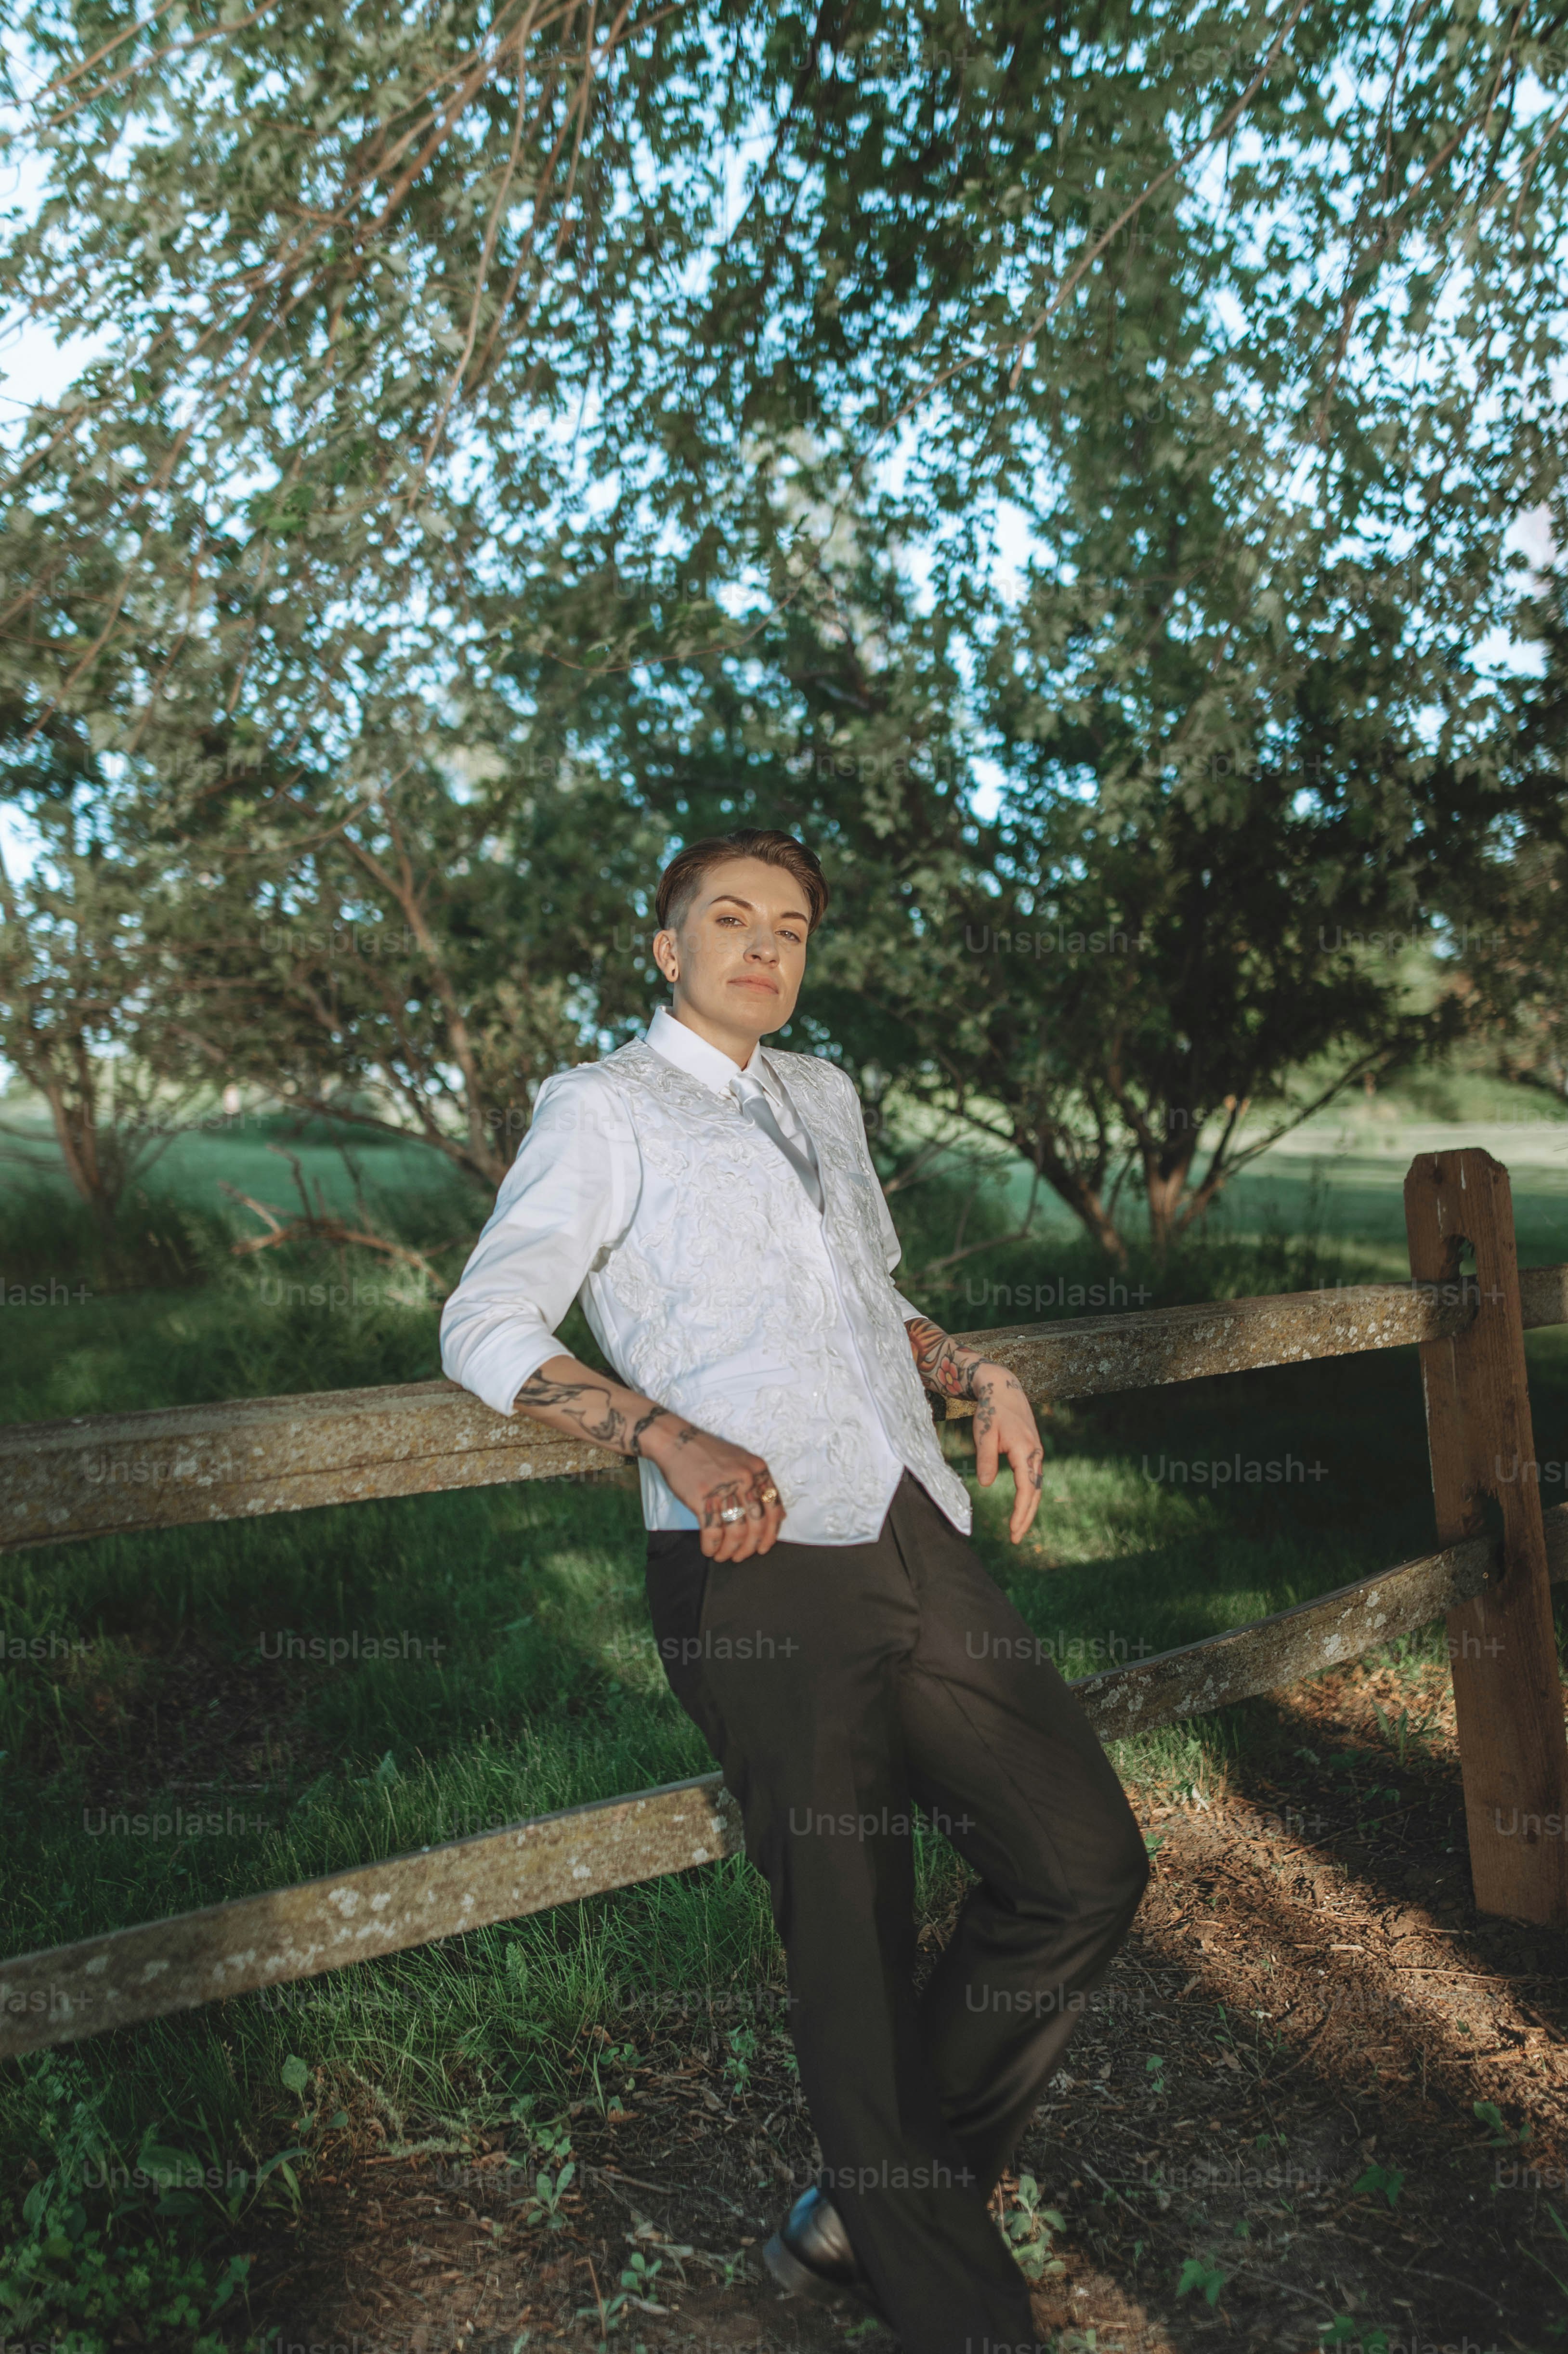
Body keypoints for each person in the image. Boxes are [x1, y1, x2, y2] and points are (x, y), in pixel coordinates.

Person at [440, 827, 1149, 2354]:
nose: (765, 948)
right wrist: (663, 1434)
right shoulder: (603, 1109)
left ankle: (863, 2211)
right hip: (755, 1565)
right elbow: (485, 1318)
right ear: (666, 946)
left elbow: (872, 1299)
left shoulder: (823, 1095)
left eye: (793, 928)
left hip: (909, 1521)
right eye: (730, 921)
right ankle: (964, 2318)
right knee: (856, 1949)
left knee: (1084, 1864)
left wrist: (975, 1370)